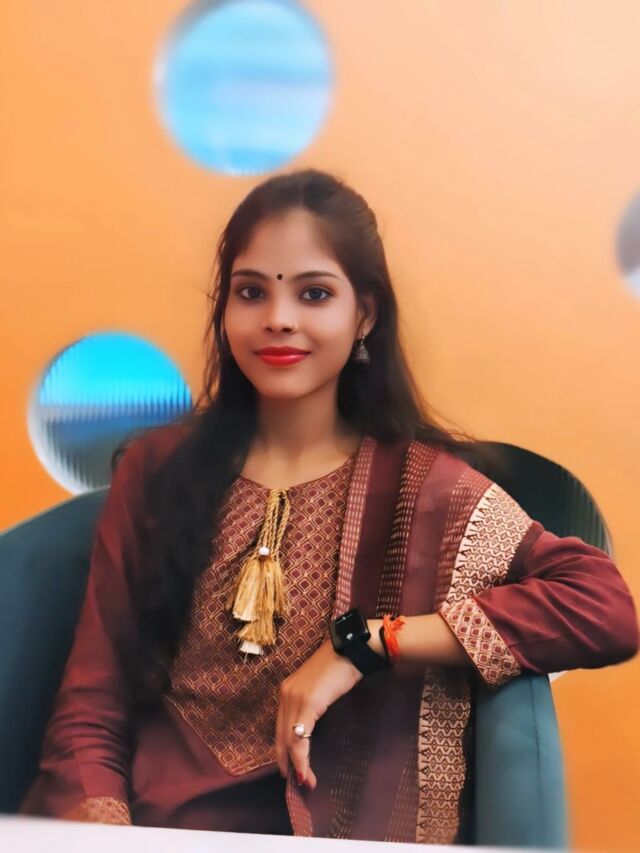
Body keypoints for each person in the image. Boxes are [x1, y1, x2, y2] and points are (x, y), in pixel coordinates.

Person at [20, 169, 639, 844]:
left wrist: (367, 644)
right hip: (158, 832)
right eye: (251, 291)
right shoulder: (158, 472)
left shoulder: (425, 492)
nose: (278, 318)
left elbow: (602, 607)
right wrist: (107, 834)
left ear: (363, 314)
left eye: (313, 293)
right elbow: (91, 707)